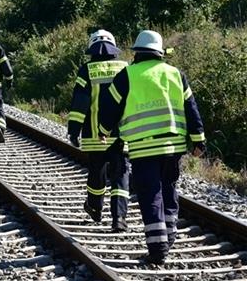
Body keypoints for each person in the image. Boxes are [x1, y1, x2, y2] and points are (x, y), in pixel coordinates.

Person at [99, 30, 206, 264]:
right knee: (168, 188)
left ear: (137, 52)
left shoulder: (128, 75)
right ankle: (169, 234)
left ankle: (158, 250)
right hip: (173, 147)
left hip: (144, 148)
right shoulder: (175, 74)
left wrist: (103, 131)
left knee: (151, 195)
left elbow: (110, 107)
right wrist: (198, 140)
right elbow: (191, 108)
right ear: (159, 52)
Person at [68, 29, 130, 232]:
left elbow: (80, 103)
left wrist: (74, 130)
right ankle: (119, 218)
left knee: (97, 174)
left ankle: (95, 208)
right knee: (120, 175)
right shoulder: (125, 68)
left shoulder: (87, 70)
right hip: (122, 134)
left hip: (95, 136)